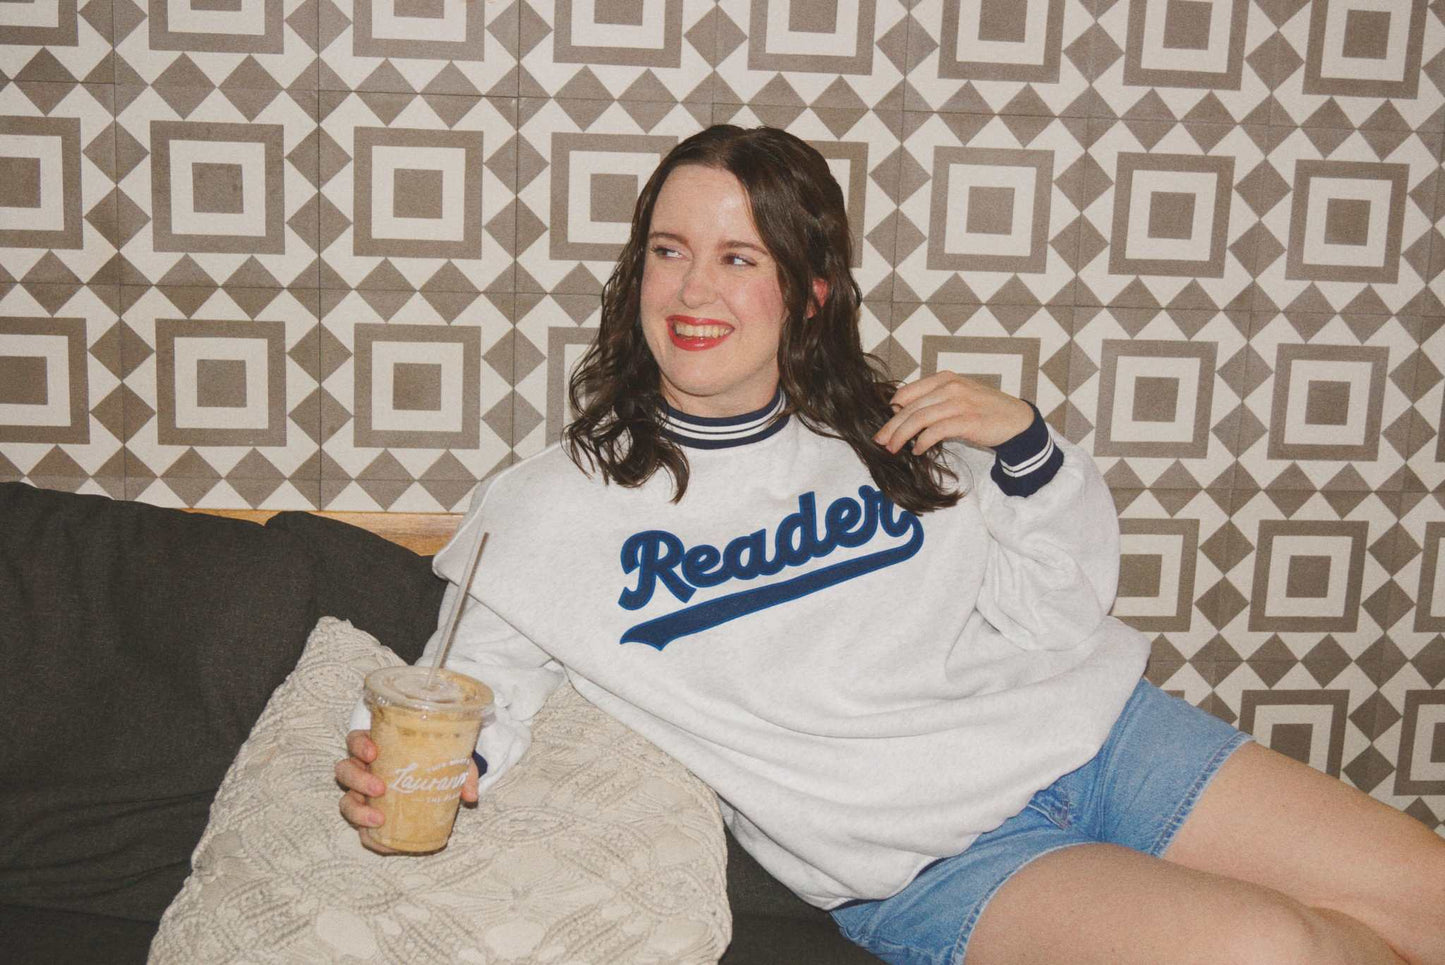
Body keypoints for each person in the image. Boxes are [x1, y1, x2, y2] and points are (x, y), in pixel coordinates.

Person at [336, 125, 1445, 964]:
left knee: (1422, 892)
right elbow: (474, 690)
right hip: (932, 859)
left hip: (1099, 736)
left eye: (738, 257)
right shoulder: (549, 508)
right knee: (1274, 948)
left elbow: (1054, 613)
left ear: (807, 291)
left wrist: (1025, 449)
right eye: (670, 250)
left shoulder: (893, 431)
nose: (691, 287)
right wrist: (416, 774)